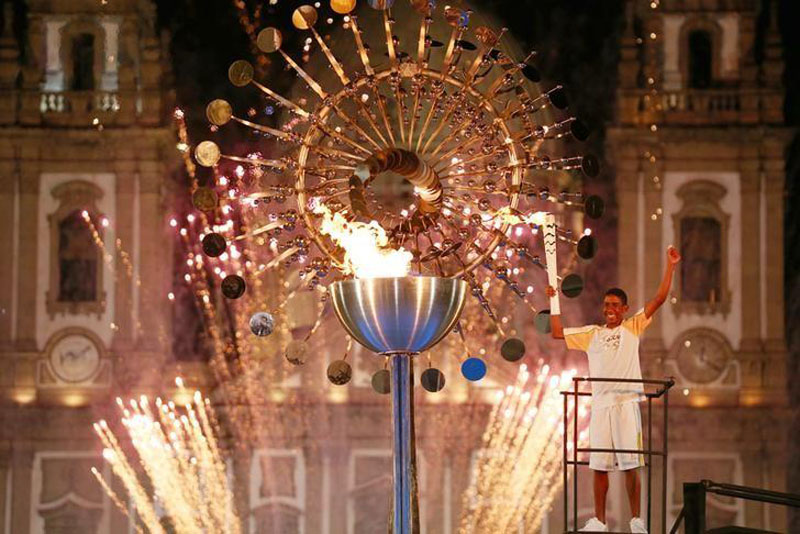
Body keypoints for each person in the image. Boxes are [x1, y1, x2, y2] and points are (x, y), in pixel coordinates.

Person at [547, 246, 681, 533]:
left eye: (614, 305)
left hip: (626, 405)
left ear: (624, 309)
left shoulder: (633, 327)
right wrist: (553, 301)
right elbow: (557, 331)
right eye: (606, 305)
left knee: (631, 464)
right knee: (599, 465)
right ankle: (599, 520)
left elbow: (659, 299)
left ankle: (635, 519)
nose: (608, 309)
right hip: (601, 406)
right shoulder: (591, 335)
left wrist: (670, 266)